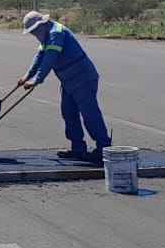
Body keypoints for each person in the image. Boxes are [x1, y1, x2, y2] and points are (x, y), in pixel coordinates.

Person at [17, 11, 111, 163]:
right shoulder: (46, 37)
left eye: (34, 31)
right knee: (69, 114)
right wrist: (27, 75)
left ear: (42, 25)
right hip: (68, 81)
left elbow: (49, 59)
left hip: (82, 78)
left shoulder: (56, 34)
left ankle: (103, 148)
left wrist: (36, 80)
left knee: (90, 114)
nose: (34, 34)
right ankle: (77, 148)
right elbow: (40, 56)